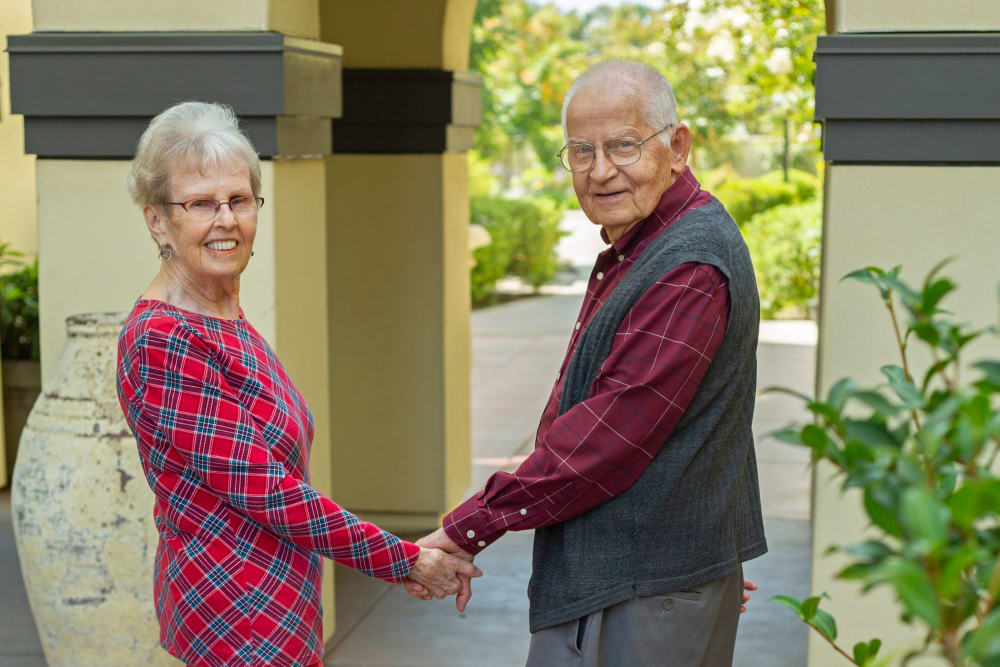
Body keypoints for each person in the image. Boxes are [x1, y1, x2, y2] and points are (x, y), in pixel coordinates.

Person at [412, 60, 767, 666]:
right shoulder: (648, 243)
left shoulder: (687, 265)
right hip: (648, 579)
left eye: (624, 146)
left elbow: (603, 440)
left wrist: (468, 527)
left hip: (637, 591)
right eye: (581, 151)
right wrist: (702, 552)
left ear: (677, 147)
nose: (600, 171)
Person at [115, 101, 481, 667]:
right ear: (157, 218)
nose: (226, 220)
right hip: (234, 617)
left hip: (276, 606)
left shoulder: (219, 310)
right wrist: (402, 558)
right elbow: (269, 493)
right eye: (200, 204)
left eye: (239, 200)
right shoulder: (164, 337)